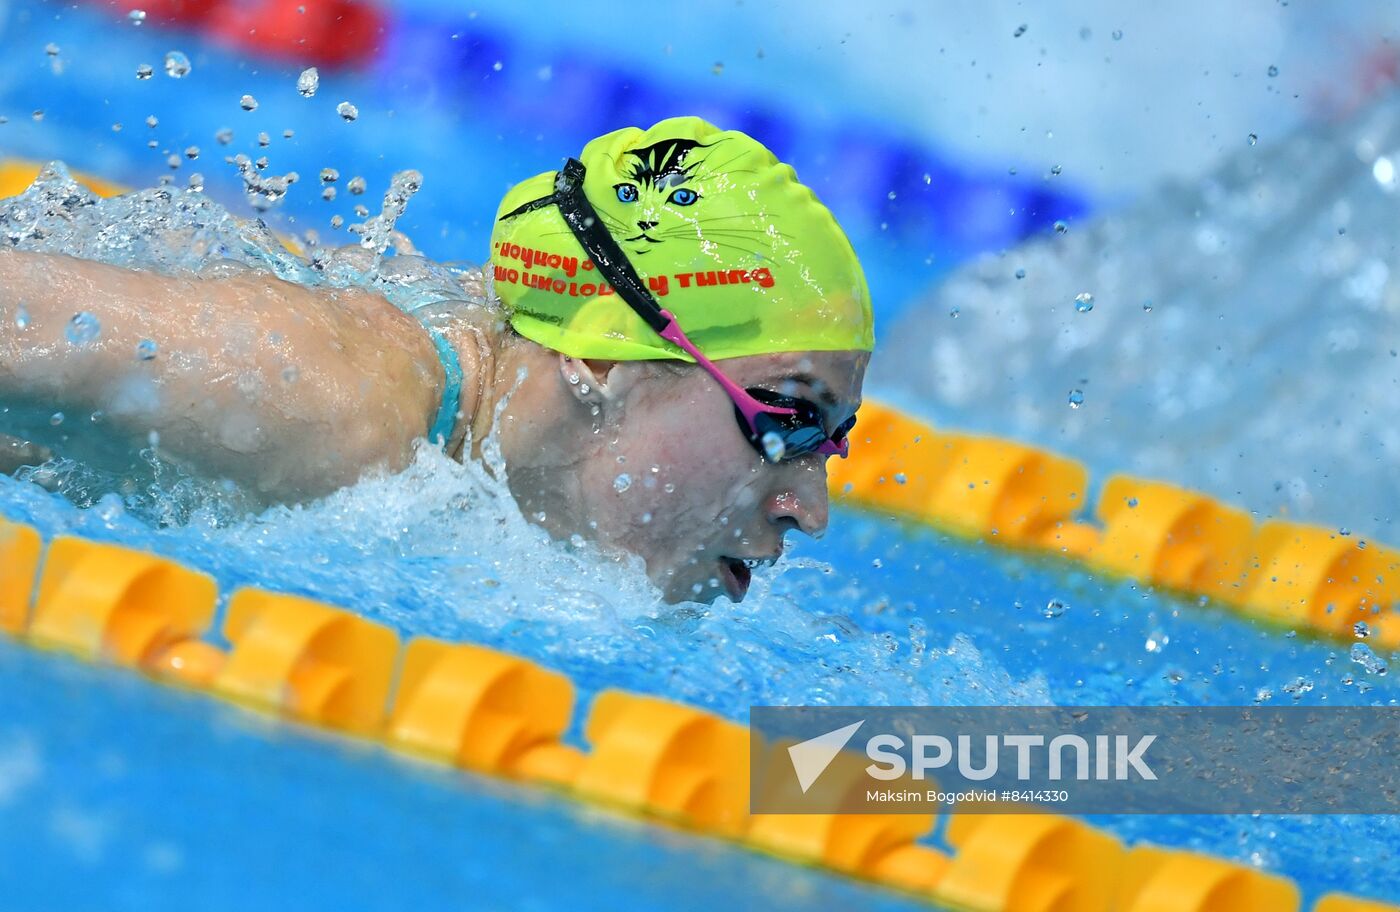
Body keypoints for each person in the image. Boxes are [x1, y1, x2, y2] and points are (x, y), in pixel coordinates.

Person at [0, 117, 874, 603]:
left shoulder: (487, 403)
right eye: (785, 421)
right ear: (603, 363)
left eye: (831, 442)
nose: (811, 510)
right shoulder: (337, 406)